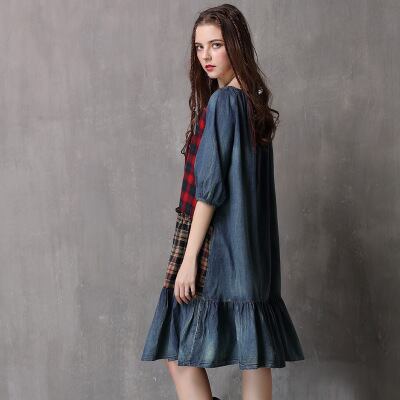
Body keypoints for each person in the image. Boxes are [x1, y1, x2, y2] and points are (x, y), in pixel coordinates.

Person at [140, 4, 305, 399]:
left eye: (216, 45)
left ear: (236, 45)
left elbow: (210, 189)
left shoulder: (224, 103)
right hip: (251, 248)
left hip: (214, 240)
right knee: (254, 353)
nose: (206, 56)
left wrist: (189, 259)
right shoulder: (252, 103)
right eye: (199, 47)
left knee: (177, 350)